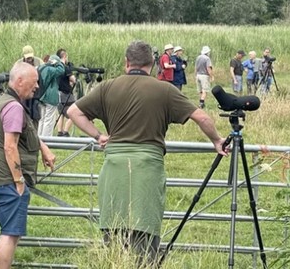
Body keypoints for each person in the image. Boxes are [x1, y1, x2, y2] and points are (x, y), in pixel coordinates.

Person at [67, 40, 227, 267]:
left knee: (113, 232)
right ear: (152, 64)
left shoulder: (106, 88)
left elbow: (73, 111)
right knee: (145, 233)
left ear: (126, 62)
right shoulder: (164, 89)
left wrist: (99, 136)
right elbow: (201, 117)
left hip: (114, 168)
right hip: (148, 169)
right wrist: (217, 140)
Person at [0, 62, 56, 269]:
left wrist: (43, 147)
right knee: (10, 235)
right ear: (20, 81)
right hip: (7, 181)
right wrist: (19, 180)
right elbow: (10, 147)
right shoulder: (14, 107)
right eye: (35, 81)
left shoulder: (5, 102)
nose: (37, 86)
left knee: (8, 232)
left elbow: (20, 132)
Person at [37, 55, 65, 137]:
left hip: (40, 96)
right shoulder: (51, 69)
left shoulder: (41, 68)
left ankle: (39, 137)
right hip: (50, 97)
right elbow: (61, 70)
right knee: (49, 120)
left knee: (41, 119)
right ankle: (46, 139)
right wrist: (60, 63)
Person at [55, 48, 76, 137]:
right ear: (64, 56)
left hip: (58, 93)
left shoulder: (56, 67)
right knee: (74, 112)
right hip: (66, 93)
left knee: (61, 113)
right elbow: (73, 80)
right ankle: (66, 131)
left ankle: (60, 131)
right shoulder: (65, 68)